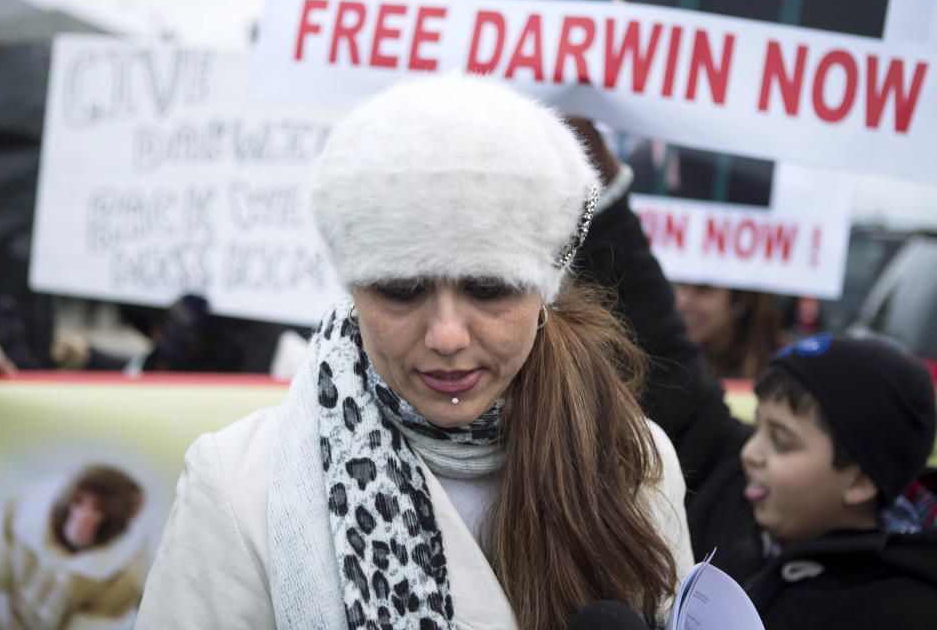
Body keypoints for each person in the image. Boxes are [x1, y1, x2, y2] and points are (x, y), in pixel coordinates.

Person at [134, 75, 693, 630]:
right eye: (401, 291)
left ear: (544, 289)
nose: (447, 336)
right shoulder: (237, 485)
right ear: (353, 288)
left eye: (489, 287)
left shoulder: (635, 463)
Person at [577, 146, 937, 629]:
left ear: (859, 480)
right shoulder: (730, 482)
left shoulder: (903, 610)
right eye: (759, 427)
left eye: (782, 441)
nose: (752, 453)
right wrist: (603, 185)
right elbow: (661, 344)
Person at [0, 465, 151, 629]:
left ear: (124, 519)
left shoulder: (126, 573)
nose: (82, 519)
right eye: (78, 502)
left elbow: (96, 624)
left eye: (99, 509)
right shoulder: (21, 515)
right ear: (66, 497)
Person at [672, 283, 783, 379]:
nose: (682, 302)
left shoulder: (778, 372)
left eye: (704, 289)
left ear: (740, 300)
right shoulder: (666, 364)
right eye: (680, 285)